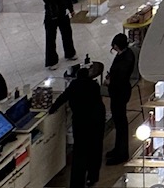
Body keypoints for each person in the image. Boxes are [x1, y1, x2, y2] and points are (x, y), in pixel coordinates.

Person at [49, 61, 105, 188]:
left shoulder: (74, 85)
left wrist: (52, 109)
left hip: (81, 122)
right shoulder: (94, 85)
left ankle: (77, 183)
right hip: (97, 121)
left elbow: (62, 98)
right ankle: (93, 177)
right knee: (95, 149)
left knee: (80, 152)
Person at [105, 33, 137, 165]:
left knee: (121, 123)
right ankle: (118, 149)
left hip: (119, 93)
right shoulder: (126, 54)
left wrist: (109, 81)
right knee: (119, 123)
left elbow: (119, 79)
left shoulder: (125, 60)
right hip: (120, 92)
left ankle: (122, 153)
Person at [42, 0, 78, 68]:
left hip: (63, 15)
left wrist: (71, 10)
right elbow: (48, 1)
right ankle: (52, 61)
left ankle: (70, 53)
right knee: (50, 39)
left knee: (67, 34)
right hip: (51, 17)